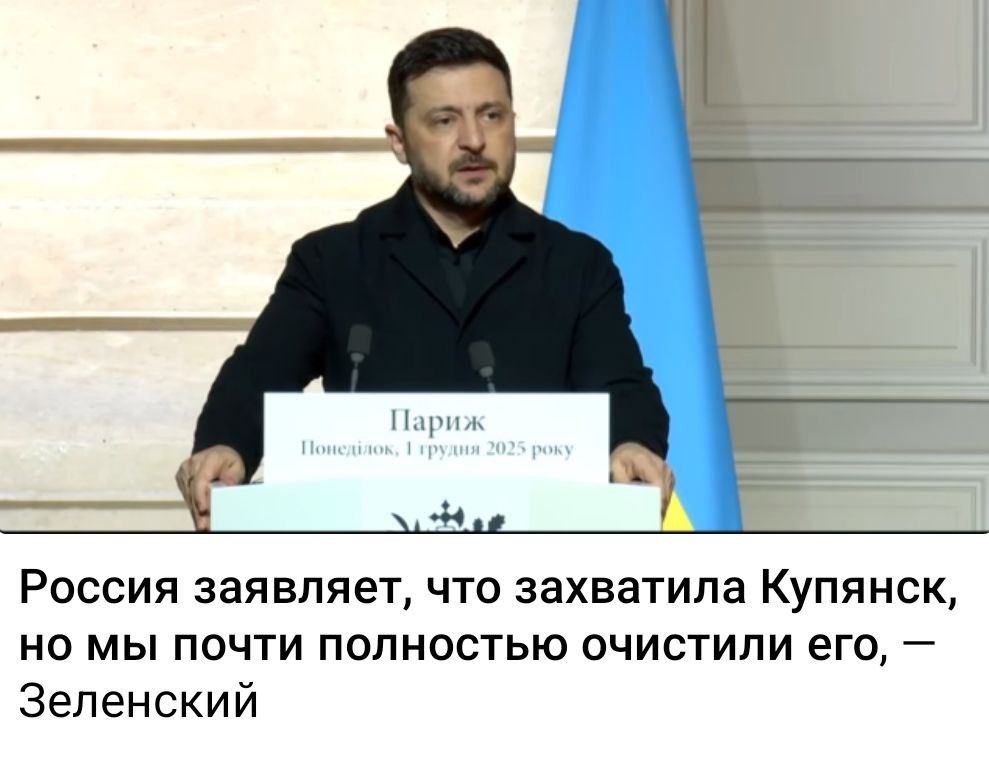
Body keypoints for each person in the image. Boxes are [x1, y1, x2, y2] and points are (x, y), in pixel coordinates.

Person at [176, 27, 674, 531]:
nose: (474, 140)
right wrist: (226, 444)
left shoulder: (577, 263)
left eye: (491, 115)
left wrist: (631, 443)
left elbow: (620, 383)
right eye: (444, 120)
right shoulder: (331, 261)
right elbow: (259, 375)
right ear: (399, 141)